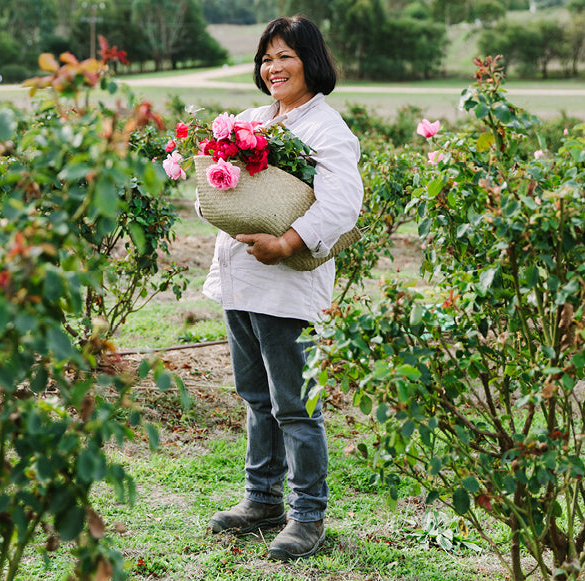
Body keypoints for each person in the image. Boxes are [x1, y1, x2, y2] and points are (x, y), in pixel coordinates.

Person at [201, 15, 363, 561]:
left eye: (285, 56)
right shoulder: (250, 120)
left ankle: (307, 515)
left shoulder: (326, 129)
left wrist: (289, 240)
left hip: (286, 285)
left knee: (294, 405)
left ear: (310, 61)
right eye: (267, 58)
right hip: (241, 281)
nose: (274, 67)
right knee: (255, 399)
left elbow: (342, 204)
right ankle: (261, 499)